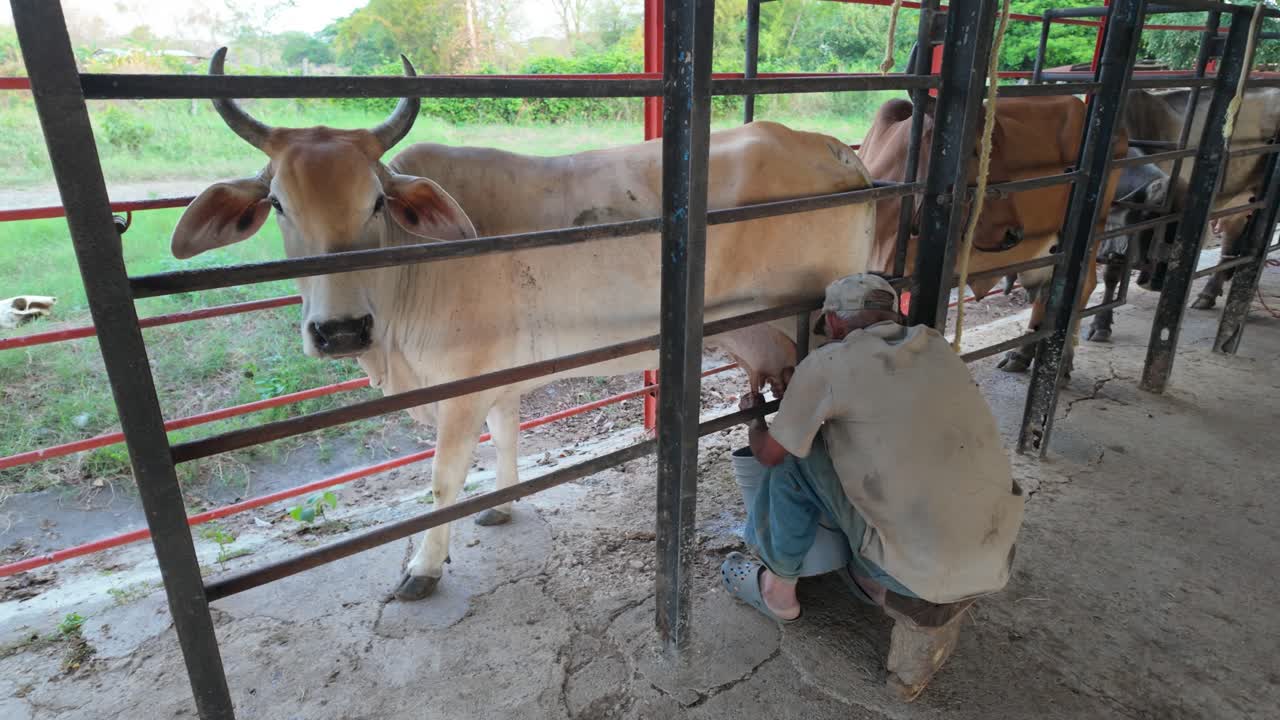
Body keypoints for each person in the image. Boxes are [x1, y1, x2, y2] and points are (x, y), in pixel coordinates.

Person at [720, 273, 1025, 697]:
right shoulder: (935, 345)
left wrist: (754, 417)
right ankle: (883, 576)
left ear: (836, 325)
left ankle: (779, 593)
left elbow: (771, 454)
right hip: (997, 554)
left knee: (795, 460)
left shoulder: (829, 363)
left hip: (922, 575)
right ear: (894, 311)